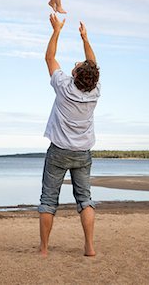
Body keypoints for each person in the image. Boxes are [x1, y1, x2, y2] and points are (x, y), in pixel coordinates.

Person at [38, 13, 101, 257]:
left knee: (48, 200)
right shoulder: (94, 92)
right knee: (85, 199)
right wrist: (85, 38)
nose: (76, 64)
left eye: (76, 66)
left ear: (74, 75)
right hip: (82, 153)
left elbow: (49, 57)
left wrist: (56, 31)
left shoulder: (64, 87)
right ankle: (90, 247)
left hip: (58, 152)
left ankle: (44, 249)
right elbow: (92, 65)